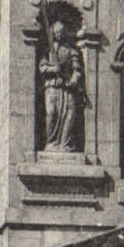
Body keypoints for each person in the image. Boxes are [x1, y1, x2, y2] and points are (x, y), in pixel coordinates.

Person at [39, 18, 85, 152]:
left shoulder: (71, 51)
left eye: (62, 32)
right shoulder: (48, 50)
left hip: (67, 88)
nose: (59, 34)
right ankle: (51, 142)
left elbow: (77, 69)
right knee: (52, 113)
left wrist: (73, 81)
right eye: (57, 32)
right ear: (53, 33)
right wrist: (54, 69)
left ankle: (65, 143)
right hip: (52, 86)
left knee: (70, 114)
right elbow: (42, 68)